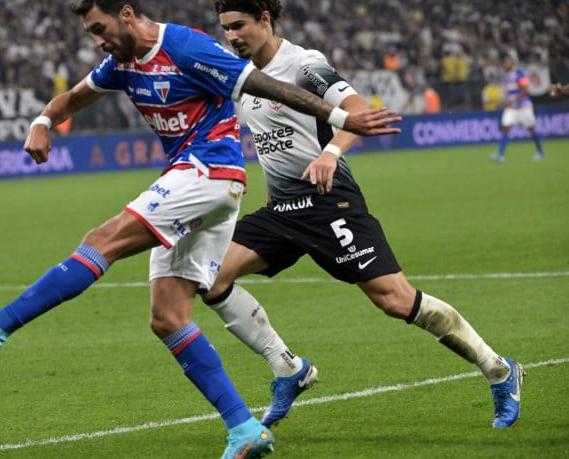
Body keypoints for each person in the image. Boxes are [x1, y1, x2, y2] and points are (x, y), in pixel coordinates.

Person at [0, 1, 400, 457]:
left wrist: (340, 118)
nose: (98, 41)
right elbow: (76, 96)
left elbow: (265, 86)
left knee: (100, 241)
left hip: (208, 171)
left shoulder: (186, 47)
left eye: (100, 29)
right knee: (168, 317)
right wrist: (43, 119)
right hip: (203, 182)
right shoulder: (122, 62)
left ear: (126, 14)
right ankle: (243, 427)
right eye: (91, 34)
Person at [202, 0, 524, 430]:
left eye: (239, 26)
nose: (233, 36)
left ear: (265, 19)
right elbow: (273, 144)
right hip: (283, 211)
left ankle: (499, 370)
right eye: (226, 29)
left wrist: (331, 153)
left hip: (329, 202)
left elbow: (356, 110)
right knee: (211, 277)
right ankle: (288, 369)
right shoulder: (244, 79)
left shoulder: (303, 65)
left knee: (396, 300)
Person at [489, 51, 544, 162]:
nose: (505, 64)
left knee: (532, 129)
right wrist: (505, 101)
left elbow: (525, 90)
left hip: (524, 107)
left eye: (507, 62)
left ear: (512, 63)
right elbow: (510, 93)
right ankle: (500, 155)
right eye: (504, 62)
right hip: (512, 108)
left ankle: (540, 152)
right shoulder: (507, 76)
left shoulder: (519, 73)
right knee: (505, 128)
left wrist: (514, 100)